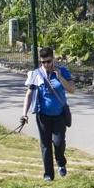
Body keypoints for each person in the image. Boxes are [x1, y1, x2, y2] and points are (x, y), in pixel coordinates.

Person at [20, 47, 75, 181]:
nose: (46, 65)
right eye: (43, 62)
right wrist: (24, 114)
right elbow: (29, 94)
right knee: (45, 145)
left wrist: (60, 77)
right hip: (42, 115)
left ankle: (61, 163)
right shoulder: (36, 74)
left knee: (58, 143)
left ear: (53, 59)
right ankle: (48, 174)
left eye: (48, 61)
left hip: (59, 115)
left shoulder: (63, 71)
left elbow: (72, 89)